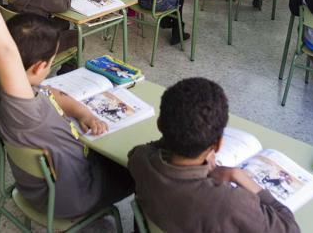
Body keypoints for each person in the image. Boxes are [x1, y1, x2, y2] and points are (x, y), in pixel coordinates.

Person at [0, 0, 134, 219]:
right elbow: (3, 51)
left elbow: (54, 94)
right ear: (37, 67)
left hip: (38, 187)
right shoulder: (23, 111)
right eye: (50, 61)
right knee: (134, 165)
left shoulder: (0, 90)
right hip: (68, 197)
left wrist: (84, 113)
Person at [128, 77, 301, 233]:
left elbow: (142, 150)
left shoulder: (140, 159)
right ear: (217, 145)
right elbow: (290, 228)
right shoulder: (231, 203)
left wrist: (177, 139)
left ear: (159, 125)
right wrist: (239, 176)